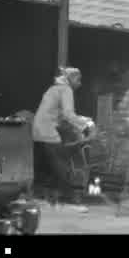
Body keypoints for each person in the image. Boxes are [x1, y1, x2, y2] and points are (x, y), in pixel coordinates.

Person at [31, 67, 87, 208]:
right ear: (71, 79)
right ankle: (72, 194)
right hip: (48, 130)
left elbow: (57, 112)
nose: (80, 83)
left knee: (45, 163)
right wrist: (86, 124)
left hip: (37, 129)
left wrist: (78, 119)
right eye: (78, 80)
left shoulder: (53, 89)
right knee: (61, 163)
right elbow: (68, 114)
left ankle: (44, 192)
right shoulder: (66, 90)